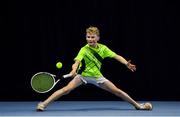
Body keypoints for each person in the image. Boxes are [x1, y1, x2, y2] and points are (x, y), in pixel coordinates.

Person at [36, 26, 152, 111]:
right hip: (82, 76)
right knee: (66, 90)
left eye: (92, 37)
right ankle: (43, 104)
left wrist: (126, 63)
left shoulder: (103, 49)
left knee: (117, 91)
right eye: (88, 37)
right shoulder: (84, 49)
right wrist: (73, 70)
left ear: (98, 38)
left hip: (97, 77)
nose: (90, 39)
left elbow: (117, 56)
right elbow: (76, 62)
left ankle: (138, 106)